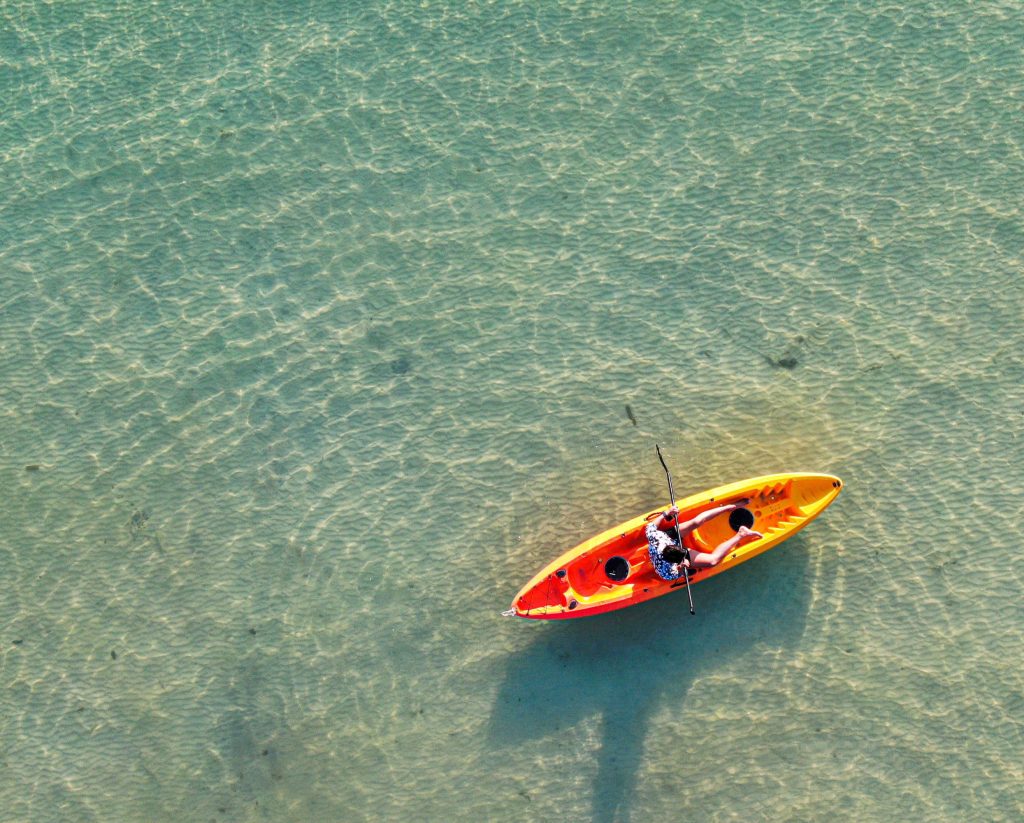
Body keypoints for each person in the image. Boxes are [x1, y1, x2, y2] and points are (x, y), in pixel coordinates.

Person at [645, 500, 762, 581]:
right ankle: (741, 534)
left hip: (669, 538)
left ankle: (729, 507)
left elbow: (650, 526)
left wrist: (667, 513)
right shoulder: (667, 571)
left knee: (696, 522)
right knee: (712, 561)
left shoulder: (656, 538)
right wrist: (682, 568)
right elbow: (677, 572)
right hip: (670, 553)